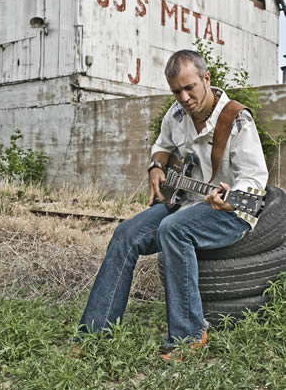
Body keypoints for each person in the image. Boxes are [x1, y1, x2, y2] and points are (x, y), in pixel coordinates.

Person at [75, 50, 268, 361]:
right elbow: (162, 147)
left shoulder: (236, 119)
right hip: (186, 202)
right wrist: (155, 166)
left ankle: (188, 335)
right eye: (176, 91)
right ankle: (95, 333)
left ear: (207, 79)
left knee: (172, 230)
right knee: (125, 234)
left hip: (231, 210)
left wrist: (231, 197)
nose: (184, 97)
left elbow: (255, 179)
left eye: (190, 87)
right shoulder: (176, 115)